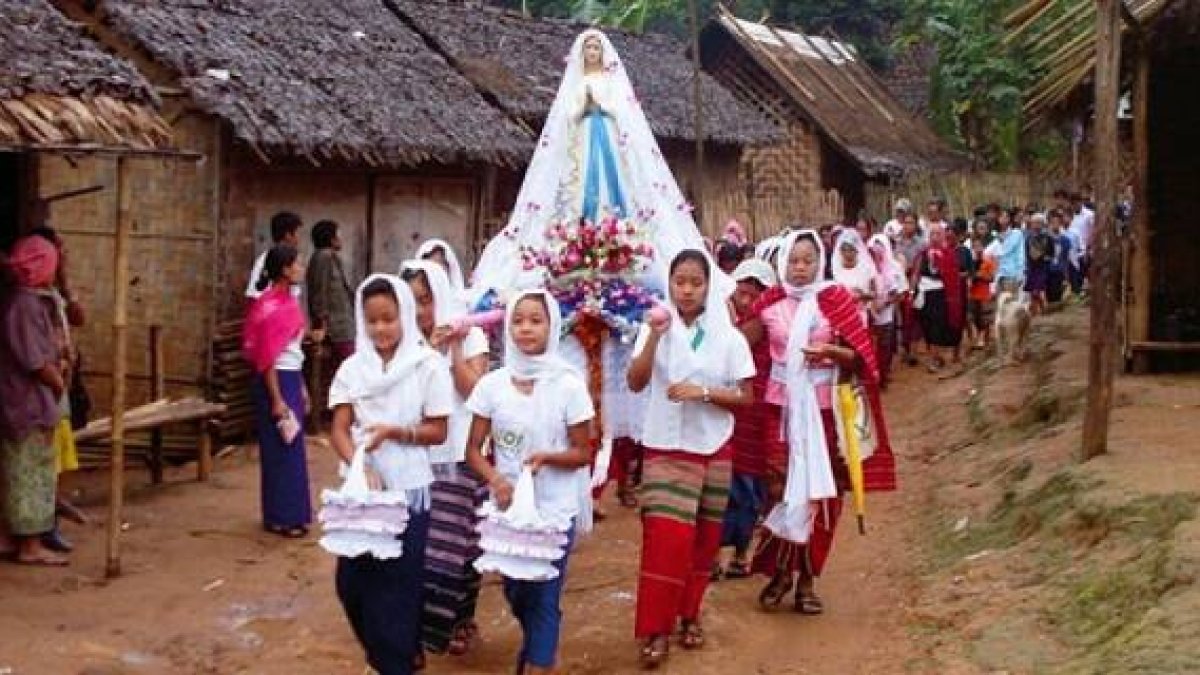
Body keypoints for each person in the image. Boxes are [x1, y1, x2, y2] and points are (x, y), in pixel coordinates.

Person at [743, 230, 896, 617]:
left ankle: (807, 580)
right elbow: (738, 344)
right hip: (779, 410)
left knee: (820, 494)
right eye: (793, 260)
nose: (800, 268)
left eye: (808, 260)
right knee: (778, 489)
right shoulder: (769, 302)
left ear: (819, 261)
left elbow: (862, 356)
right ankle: (779, 571)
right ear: (782, 263)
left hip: (826, 410)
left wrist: (832, 353)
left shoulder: (836, 300)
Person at [627, 249, 754, 668]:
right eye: (679, 281)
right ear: (670, 283)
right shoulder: (655, 324)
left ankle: (690, 615)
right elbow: (635, 381)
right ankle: (656, 630)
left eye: (695, 282)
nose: (686, 290)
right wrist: (653, 338)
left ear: (708, 286)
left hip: (714, 444)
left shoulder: (728, 337)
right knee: (666, 539)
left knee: (703, 539)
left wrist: (701, 392)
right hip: (665, 443)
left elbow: (745, 397)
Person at [464, 289, 595, 675]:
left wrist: (548, 458)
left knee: (544, 595)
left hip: (555, 507)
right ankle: (538, 648)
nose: (525, 329)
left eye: (535, 320)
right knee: (516, 590)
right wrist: (495, 479)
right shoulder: (492, 385)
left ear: (552, 327)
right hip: (509, 511)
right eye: (518, 320)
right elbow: (472, 449)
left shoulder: (568, 385)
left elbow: (583, 452)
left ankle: (538, 663)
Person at [328, 274, 453, 675]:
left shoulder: (427, 366)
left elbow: (439, 430)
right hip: (361, 496)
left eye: (389, 318)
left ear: (405, 316)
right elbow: (338, 428)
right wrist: (360, 465)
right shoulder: (352, 368)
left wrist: (397, 432)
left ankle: (395, 662)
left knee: (396, 589)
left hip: (408, 493)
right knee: (352, 586)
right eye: (372, 320)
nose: (381, 329)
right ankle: (396, 654)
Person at [400, 260, 490, 658]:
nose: (421, 311)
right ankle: (420, 632)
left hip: (458, 452)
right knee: (420, 544)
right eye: (413, 302)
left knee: (461, 545)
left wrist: (450, 349)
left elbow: (476, 393)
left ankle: (460, 619)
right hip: (414, 455)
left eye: (426, 300)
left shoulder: (470, 335)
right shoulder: (398, 341)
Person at [0, 236, 67, 566]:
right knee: (28, 469)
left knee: (24, 467)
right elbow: (35, 360)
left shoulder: (28, 301)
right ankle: (29, 544)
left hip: (26, 398)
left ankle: (14, 537)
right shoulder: (24, 306)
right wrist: (58, 384)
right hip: (26, 400)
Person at [243, 245, 312, 538]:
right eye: (297, 263)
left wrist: (302, 386)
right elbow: (267, 357)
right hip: (277, 382)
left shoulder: (285, 302)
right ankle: (283, 516)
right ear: (285, 269)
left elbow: (292, 352)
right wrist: (277, 399)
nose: (302, 267)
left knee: (290, 449)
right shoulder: (270, 307)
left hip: (290, 378)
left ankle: (284, 513)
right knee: (283, 450)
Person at [716, 258, 777, 581]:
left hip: (755, 406)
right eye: (744, 284)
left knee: (747, 483)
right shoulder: (722, 318)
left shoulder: (758, 320)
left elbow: (736, 345)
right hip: (728, 406)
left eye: (758, 286)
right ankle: (722, 551)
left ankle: (738, 552)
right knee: (727, 483)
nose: (749, 291)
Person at [913, 227, 964, 373]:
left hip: (940, 294)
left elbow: (952, 275)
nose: (934, 237)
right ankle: (935, 355)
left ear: (942, 237)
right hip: (924, 292)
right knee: (926, 324)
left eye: (938, 234)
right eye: (932, 234)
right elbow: (916, 273)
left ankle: (935, 358)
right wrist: (912, 290)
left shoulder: (948, 254)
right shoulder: (923, 253)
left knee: (937, 324)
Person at [306, 219, 356, 363]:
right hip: (335, 329)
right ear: (331, 238)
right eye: (338, 234)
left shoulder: (333, 258)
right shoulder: (323, 258)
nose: (341, 238)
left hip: (344, 326)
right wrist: (322, 326)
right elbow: (319, 294)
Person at [867, 234, 906, 388]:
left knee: (884, 347)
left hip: (885, 315)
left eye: (878, 252)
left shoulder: (891, 269)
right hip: (869, 315)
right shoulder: (866, 270)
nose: (875, 256)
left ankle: (882, 376)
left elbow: (897, 293)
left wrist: (883, 304)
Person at [246, 212, 302, 300]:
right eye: (297, 233)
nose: (299, 238)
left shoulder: (294, 258)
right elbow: (254, 295)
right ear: (288, 235)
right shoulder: (264, 260)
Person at [895, 213, 927, 366]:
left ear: (916, 225)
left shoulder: (921, 244)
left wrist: (913, 286)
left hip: (916, 284)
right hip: (900, 284)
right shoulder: (897, 243)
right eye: (906, 223)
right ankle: (905, 349)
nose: (908, 226)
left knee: (914, 317)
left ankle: (913, 351)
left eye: (911, 223)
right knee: (902, 317)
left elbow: (920, 267)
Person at [831, 229, 878, 321]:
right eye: (844, 250)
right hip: (842, 313)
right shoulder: (837, 268)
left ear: (857, 250)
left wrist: (861, 296)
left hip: (860, 313)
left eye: (851, 250)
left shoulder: (866, 268)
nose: (847, 253)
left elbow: (874, 293)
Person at [968, 230, 997, 350]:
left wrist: (981, 276)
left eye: (979, 246)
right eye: (975, 246)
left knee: (985, 318)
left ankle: (983, 339)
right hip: (972, 293)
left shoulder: (988, 261)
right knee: (974, 317)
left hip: (984, 293)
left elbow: (992, 277)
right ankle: (977, 338)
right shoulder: (970, 262)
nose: (978, 249)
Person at [1025, 213, 1053, 316]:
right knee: (1032, 293)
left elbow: (1051, 254)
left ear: (1042, 224)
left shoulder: (1047, 237)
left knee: (1038, 291)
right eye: (1034, 223)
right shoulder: (1028, 237)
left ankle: (1044, 310)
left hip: (1042, 268)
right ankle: (1035, 314)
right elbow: (1026, 253)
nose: (1036, 225)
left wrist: (1045, 258)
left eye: (1038, 223)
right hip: (1031, 268)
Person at [995, 207, 1026, 294]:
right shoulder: (993, 235)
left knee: (1010, 304)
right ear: (997, 218)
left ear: (1010, 219)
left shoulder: (1017, 234)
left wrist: (1020, 273)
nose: (1004, 219)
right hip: (996, 275)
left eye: (1006, 217)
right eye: (1001, 216)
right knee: (999, 304)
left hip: (1011, 274)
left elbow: (1020, 254)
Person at [1046, 209, 1072, 304]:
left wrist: (1066, 276)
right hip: (1047, 271)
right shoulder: (1045, 238)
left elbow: (1066, 259)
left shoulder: (1065, 240)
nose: (1055, 224)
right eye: (1053, 222)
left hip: (1059, 271)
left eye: (1057, 222)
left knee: (1056, 298)